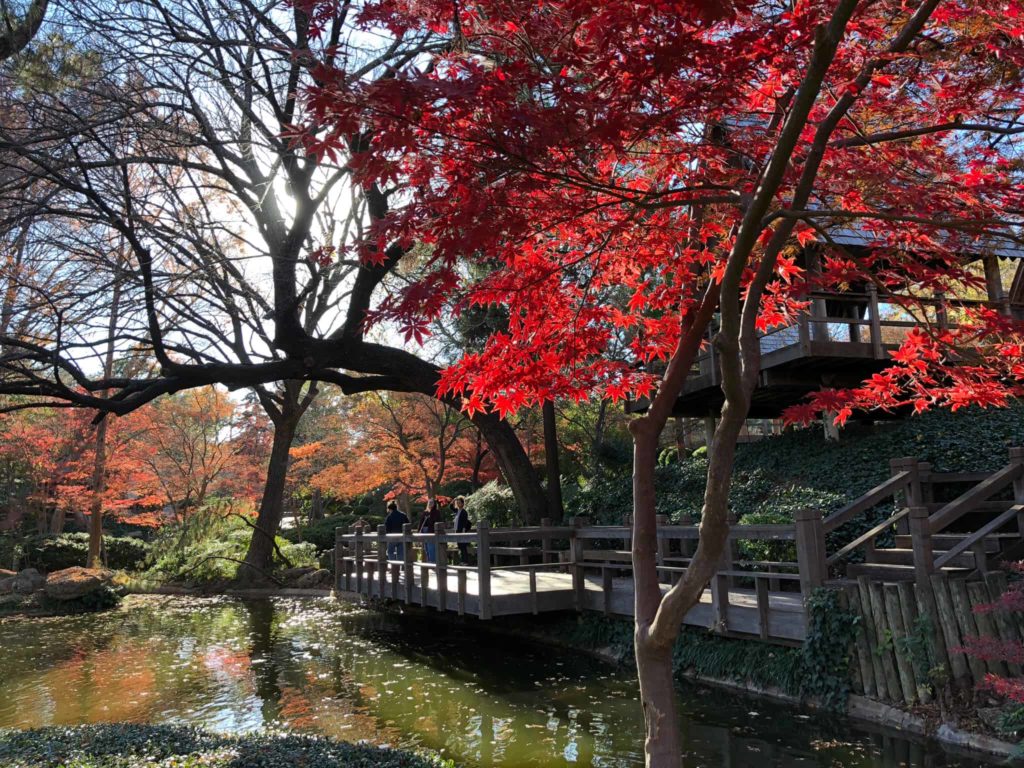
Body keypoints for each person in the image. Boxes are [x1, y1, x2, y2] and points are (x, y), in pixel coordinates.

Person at [418, 498, 443, 563]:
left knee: (431, 547)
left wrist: (430, 514)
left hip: (431, 531)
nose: (430, 504)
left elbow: (438, 521)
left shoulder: (436, 512)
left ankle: (433, 561)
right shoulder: (425, 512)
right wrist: (419, 531)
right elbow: (421, 522)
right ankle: (429, 561)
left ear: (434, 504)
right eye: (429, 502)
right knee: (426, 547)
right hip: (424, 531)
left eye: (432, 502)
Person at [452, 496, 472, 563]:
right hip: (457, 530)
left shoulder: (464, 512)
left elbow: (465, 522)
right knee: (460, 546)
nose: (458, 504)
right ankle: (462, 560)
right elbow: (451, 507)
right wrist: (453, 501)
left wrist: (463, 531)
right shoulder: (457, 511)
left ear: (463, 504)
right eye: (457, 503)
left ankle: (465, 561)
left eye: (459, 503)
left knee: (463, 546)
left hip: (462, 530)